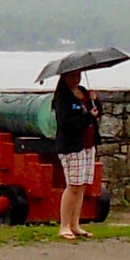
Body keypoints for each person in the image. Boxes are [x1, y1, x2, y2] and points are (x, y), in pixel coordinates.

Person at [52, 68, 100, 240]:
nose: (76, 79)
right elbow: (67, 122)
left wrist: (95, 101)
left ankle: (75, 223)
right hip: (72, 145)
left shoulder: (84, 93)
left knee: (82, 185)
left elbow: (95, 112)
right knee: (72, 185)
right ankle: (64, 225)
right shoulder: (62, 97)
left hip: (87, 144)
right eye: (72, 75)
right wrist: (88, 117)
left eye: (78, 75)